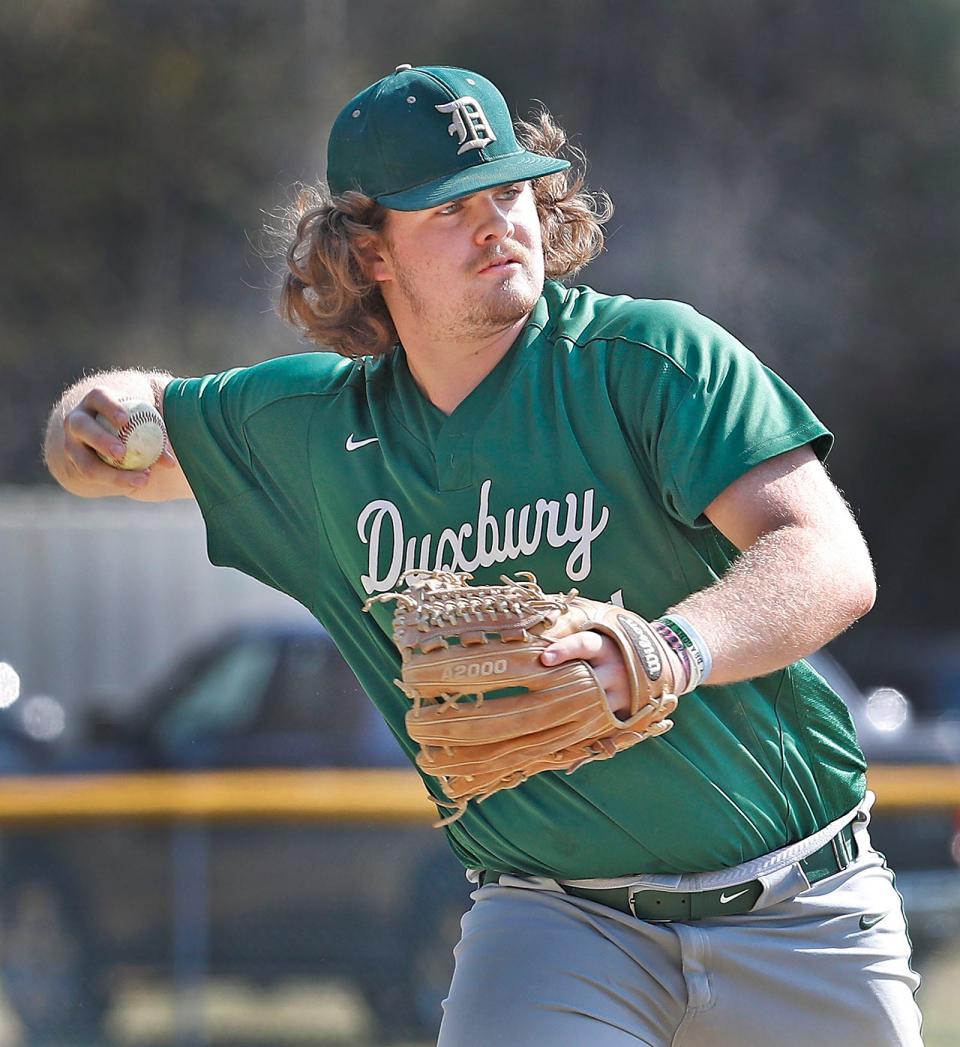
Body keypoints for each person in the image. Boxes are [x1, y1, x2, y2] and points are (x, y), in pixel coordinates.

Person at [44, 64, 922, 1046]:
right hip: (558, 921)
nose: (498, 222)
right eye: (451, 208)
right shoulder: (317, 436)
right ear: (367, 251)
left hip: (799, 905)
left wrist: (665, 650)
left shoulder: (649, 362)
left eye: (508, 189)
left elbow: (829, 557)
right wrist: (92, 417)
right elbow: (132, 436)